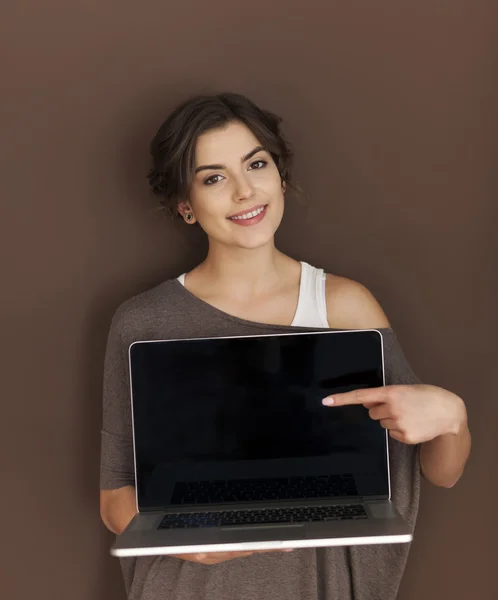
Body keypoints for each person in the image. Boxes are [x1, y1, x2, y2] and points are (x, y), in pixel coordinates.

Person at [99, 92, 471, 600]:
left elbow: (441, 473)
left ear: (280, 174)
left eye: (256, 164)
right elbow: (113, 495)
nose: (245, 191)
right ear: (186, 205)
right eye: (213, 177)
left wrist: (453, 417)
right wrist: (185, 538)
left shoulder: (344, 306)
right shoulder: (141, 322)